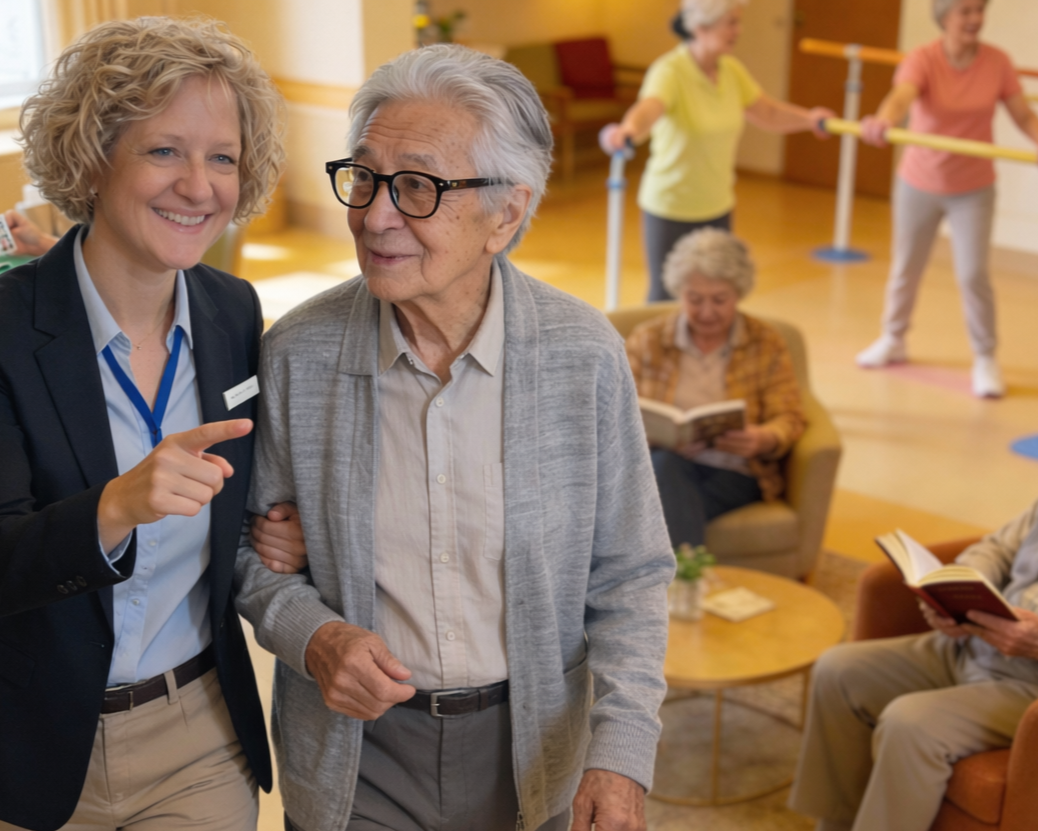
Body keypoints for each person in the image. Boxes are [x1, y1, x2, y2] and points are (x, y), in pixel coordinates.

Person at [234, 44, 675, 831]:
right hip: (357, 753)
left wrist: (621, 746)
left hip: (535, 742)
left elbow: (632, 572)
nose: (373, 216)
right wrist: (314, 635)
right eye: (365, 179)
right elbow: (239, 547)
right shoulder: (298, 352)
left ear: (505, 213)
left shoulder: (582, 353)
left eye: (416, 187)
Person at [0, 17, 306, 831]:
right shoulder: (5, 329)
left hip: (197, 733)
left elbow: (244, 491)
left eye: (223, 158)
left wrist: (279, 525)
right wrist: (114, 507)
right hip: (28, 741)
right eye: (165, 150)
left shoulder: (234, 311)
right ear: (94, 155)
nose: (200, 187)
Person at [788, 500, 1038, 831]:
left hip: (1027, 686)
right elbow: (997, 547)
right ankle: (836, 824)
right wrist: (962, 588)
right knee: (839, 670)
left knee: (909, 723)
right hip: (973, 645)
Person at [855, 0, 1038, 398]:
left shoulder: (997, 62)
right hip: (919, 182)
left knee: (973, 274)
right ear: (944, 17)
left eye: (979, 10)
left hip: (973, 188)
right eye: (965, 12)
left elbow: (1023, 116)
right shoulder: (923, 58)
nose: (975, 19)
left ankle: (986, 358)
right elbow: (901, 97)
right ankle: (893, 338)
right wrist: (884, 120)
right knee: (906, 267)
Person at [600, 0, 833, 302]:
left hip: (717, 204)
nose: (739, 30)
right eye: (731, 22)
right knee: (667, 297)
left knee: (717, 295)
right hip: (671, 206)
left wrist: (809, 119)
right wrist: (628, 130)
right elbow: (649, 109)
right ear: (701, 26)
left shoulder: (731, 71)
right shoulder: (670, 71)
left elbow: (768, 112)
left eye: (739, 21)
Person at [625, 228, 805, 548]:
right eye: (695, 299)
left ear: (739, 293)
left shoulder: (765, 342)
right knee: (666, 468)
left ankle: (675, 583)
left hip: (735, 472)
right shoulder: (648, 341)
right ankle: (690, 578)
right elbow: (615, 415)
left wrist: (763, 438)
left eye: (719, 300)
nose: (707, 312)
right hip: (663, 464)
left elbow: (790, 416)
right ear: (679, 293)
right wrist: (656, 435)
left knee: (656, 499)